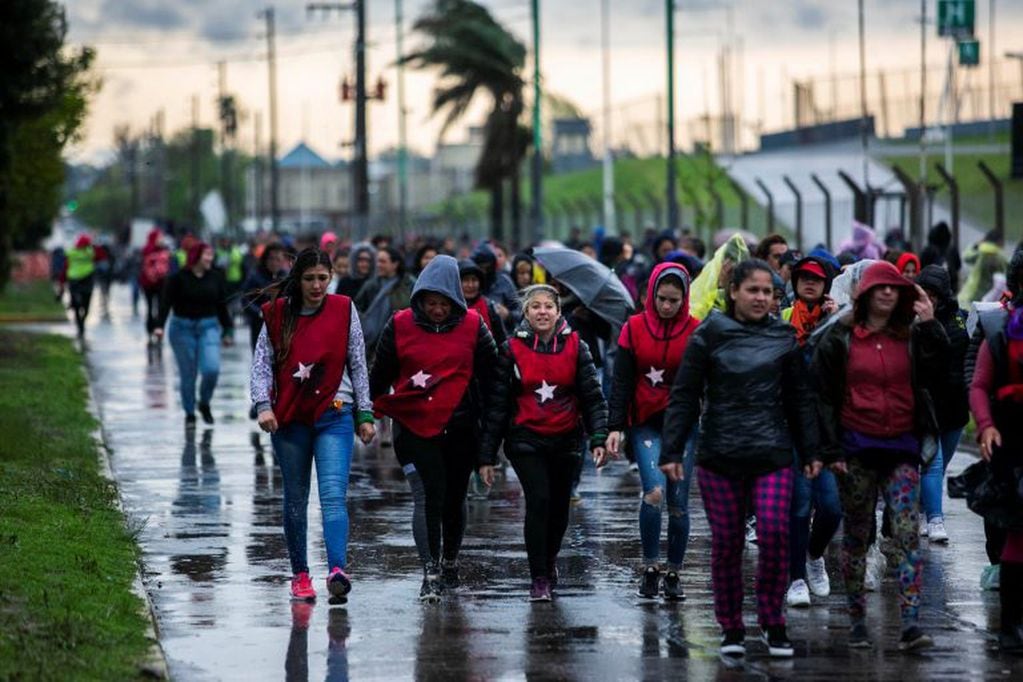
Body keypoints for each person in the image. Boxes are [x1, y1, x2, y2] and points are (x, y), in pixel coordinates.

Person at [660, 259, 819, 658]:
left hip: (772, 453)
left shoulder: (784, 336)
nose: (761, 298)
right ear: (733, 291)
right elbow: (684, 394)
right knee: (728, 542)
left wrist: (813, 450)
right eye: (753, 290)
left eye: (768, 292)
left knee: (774, 533)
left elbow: (800, 399)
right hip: (720, 455)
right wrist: (672, 450)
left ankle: (772, 621)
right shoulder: (709, 334)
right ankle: (731, 626)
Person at [813, 261, 947, 652]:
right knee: (856, 537)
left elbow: (941, 372)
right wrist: (830, 448)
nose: (888, 293)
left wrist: (930, 322)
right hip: (856, 450)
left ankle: (910, 623)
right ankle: (857, 620)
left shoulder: (912, 336)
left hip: (902, 449)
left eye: (895, 288)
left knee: (906, 535)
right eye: (880, 287)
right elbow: (821, 395)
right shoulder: (840, 337)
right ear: (864, 294)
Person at [250, 248, 376, 603]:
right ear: (298, 279)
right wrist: (263, 406)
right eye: (310, 279)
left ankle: (337, 570)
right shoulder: (277, 315)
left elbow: (358, 362)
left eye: (323, 278)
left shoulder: (343, 309)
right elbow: (261, 364)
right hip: (290, 418)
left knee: (334, 496)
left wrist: (364, 413)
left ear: (332, 276)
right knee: (295, 499)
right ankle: (300, 574)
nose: (317, 285)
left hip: (335, 414)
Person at [370, 255, 498, 603]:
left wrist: (491, 442)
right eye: (430, 303)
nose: (438, 310)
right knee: (427, 496)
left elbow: (493, 382)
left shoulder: (474, 326)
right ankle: (430, 570)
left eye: (444, 304)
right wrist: (366, 417)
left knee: (454, 500)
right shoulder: (398, 325)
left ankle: (451, 560)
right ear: (419, 299)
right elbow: (377, 378)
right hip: (413, 428)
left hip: (461, 428)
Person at [479, 284, 608, 602]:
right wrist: (486, 456)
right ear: (525, 314)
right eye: (534, 307)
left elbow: (592, 395)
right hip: (525, 439)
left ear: (558, 312)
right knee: (539, 500)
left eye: (548, 306)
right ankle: (538, 577)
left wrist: (599, 436)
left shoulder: (577, 347)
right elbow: (497, 405)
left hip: (566, 440)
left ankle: (549, 561)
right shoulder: (511, 349)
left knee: (559, 509)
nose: (542, 312)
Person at [606, 263, 698, 601]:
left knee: (678, 501)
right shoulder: (633, 328)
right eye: (661, 298)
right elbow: (621, 382)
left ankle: (674, 572)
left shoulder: (695, 331)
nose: (667, 306)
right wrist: (614, 427)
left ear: (685, 298)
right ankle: (649, 567)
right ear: (650, 295)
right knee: (654, 493)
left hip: (684, 427)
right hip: (645, 423)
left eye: (675, 300)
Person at [779, 257, 843, 608]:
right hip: (790, 427)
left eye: (816, 280)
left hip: (826, 430)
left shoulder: (838, 322)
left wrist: (835, 322)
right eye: (804, 278)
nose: (809, 284)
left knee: (832, 507)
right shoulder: (784, 320)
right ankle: (796, 578)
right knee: (799, 505)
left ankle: (814, 556)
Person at [967, 250, 1023, 651]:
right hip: (1013, 444)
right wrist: (985, 426)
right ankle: (1010, 626)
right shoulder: (999, 327)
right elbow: (980, 384)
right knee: (1015, 535)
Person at [916, 265, 969, 543]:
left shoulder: (961, 319)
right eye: (925, 292)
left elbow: (968, 354)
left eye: (934, 293)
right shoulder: (911, 320)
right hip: (926, 405)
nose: (929, 298)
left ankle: (924, 508)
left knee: (941, 463)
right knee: (932, 463)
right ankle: (936, 518)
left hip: (955, 406)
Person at [155, 241, 234, 425]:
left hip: (209, 327)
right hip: (182, 329)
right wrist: (159, 326)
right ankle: (189, 412)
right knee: (188, 373)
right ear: (195, 256)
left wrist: (228, 330)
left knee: (211, 369)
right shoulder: (177, 278)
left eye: (211, 254)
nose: (210, 258)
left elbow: (222, 305)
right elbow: (165, 303)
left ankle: (204, 402)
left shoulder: (216, 277)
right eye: (206, 254)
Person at [241, 242, 288, 351]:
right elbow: (245, 300)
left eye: (278, 259)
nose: (275, 263)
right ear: (265, 259)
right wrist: (259, 312)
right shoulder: (255, 276)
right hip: (259, 325)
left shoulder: (287, 277)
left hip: (282, 328)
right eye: (272, 259)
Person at [458, 259, 506, 347]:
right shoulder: (452, 307)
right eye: (466, 280)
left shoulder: (490, 307)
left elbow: (501, 341)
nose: (470, 285)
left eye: (474, 280)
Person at [140, 229, 173, 344]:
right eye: (159, 237)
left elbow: (168, 265)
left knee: (160, 308)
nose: (161, 239)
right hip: (148, 284)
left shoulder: (165, 250)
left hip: (162, 284)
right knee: (150, 309)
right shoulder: (147, 250)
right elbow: (144, 266)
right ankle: (150, 332)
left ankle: (158, 332)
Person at [65, 234, 97, 338]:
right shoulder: (89, 253)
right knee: (86, 308)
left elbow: (66, 259)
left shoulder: (72, 252)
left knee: (76, 307)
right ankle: (82, 324)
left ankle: (80, 327)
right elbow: (93, 254)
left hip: (74, 279)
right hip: (87, 280)